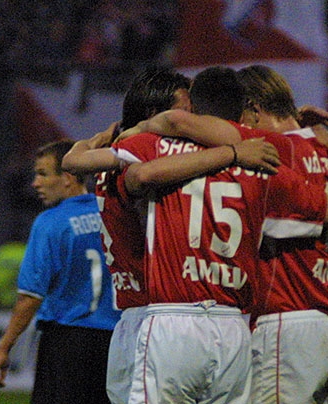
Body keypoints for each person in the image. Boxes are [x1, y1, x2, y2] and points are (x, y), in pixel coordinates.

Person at [133, 65, 328, 403]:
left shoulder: (273, 151)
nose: (237, 127)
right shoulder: (320, 148)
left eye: (241, 116)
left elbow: (180, 124)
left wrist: (135, 129)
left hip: (286, 321)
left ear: (253, 108)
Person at [62, 66, 281, 404]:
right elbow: (138, 174)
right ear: (157, 114)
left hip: (159, 313)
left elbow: (75, 161)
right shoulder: (241, 151)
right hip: (158, 311)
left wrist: (103, 137)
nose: (192, 115)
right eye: (186, 107)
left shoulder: (137, 153)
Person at [0, 140, 121, 404]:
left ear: (69, 176)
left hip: (68, 343)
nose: (35, 183)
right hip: (117, 342)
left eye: (43, 173)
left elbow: (30, 297)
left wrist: (4, 347)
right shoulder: (114, 212)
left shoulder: (50, 222)